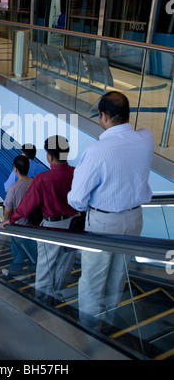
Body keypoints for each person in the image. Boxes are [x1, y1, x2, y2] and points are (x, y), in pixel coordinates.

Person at [67, 91, 154, 329]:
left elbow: (76, 200)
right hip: (135, 219)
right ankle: (112, 319)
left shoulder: (97, 151)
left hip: (104, 224)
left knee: (93, 281)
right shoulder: (146, 139)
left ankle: (89, 328)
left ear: (104, 115)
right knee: (118, 276)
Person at [0, 136, 82, 304]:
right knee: (65, 265)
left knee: (45, 265)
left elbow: (27, 205)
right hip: (74, 224)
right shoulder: (76, 173)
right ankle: (58, 295)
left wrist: (12, 219)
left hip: (52, 227)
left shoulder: (43, 179)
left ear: (50, 156)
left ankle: (42, 300)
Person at [2, 155, 37, 276]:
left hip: (18, 227)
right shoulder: (35, 183)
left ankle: (13, 272)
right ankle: (34, 274)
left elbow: (8, 210)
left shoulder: (13, 188)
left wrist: (5, 222)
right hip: (35, 227)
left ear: (15, 169)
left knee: (19, 253)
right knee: (34, 253)